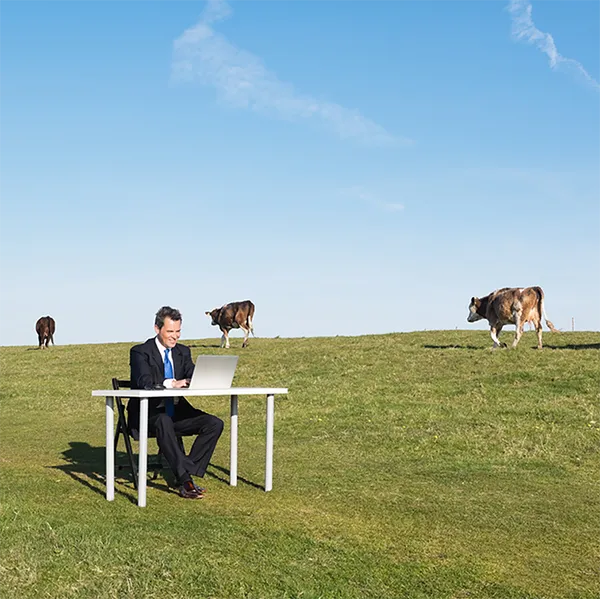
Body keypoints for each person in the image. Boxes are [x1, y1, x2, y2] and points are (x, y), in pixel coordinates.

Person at [129, 306, 224, 499]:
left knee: (214, 423)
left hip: (177, 412)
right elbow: (144, 382)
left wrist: (201, 379)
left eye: (178, 331)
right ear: (157, 329)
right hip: (148, 414)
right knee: (163, 420)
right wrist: (172, 383)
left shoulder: (183, 352)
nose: (175, 336)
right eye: (170, 331)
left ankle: (185, 467)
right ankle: (185, 479)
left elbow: (192, 373)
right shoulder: (140, 352)